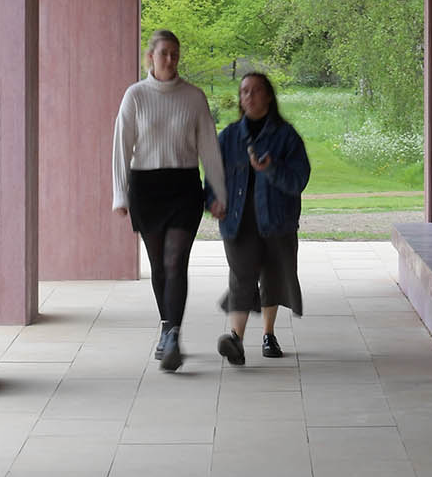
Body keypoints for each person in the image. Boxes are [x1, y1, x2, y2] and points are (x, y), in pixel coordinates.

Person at [112, 30, 226, 371]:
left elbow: (209, 147)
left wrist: (217, 191)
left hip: (183, 186)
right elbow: (121, 145)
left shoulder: (194, 97)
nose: (170, 60)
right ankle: (167, 328)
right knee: (160, 265)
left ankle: (173, 334)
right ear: (151, 57)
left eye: (175, 54)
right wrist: (120, 193)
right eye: (164, 53)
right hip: (146, 187)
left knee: (176, 262)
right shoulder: (135, 96)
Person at [209, 72, 310, 366]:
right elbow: (213, 177)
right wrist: (213, 201)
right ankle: (236, 340)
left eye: (255, 91)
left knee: (273, 277)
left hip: (277, 219)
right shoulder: (228, 137)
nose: (249, 97)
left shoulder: (286, 136)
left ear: (268, 96)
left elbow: (299, 179)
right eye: (244, 92)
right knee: (241, 276)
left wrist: (271, 169)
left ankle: (268, 334)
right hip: (238, 221)